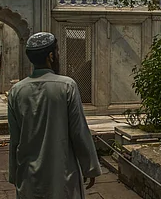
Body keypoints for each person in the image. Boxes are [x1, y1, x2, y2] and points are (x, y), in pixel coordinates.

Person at [8, 32, 101, 198]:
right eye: (57, 53)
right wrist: (90, 167)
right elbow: (79, 132)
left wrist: (14, 174)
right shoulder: (66, 86)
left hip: (29, 177)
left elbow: (15, 139)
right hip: (62, 176)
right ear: (51, 56)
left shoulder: (17, 91)